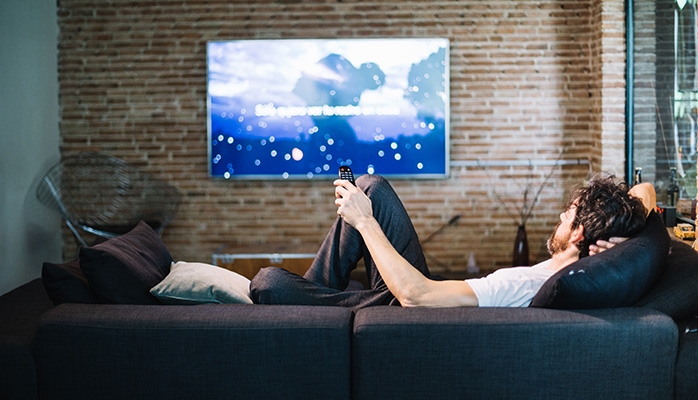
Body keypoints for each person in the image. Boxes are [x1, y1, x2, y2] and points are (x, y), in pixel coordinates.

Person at [250, 174, 653, 309]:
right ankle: (310, 313)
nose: (559, 218)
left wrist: (364, 222)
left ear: (579, 234)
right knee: (372, 187)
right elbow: (645, 192)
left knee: (269, 282)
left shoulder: (519, 285)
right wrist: (619, 238)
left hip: (408, 314)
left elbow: (415, 296)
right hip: (420, 299)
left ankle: (305, 313)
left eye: (567, 216)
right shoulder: (593, 263)